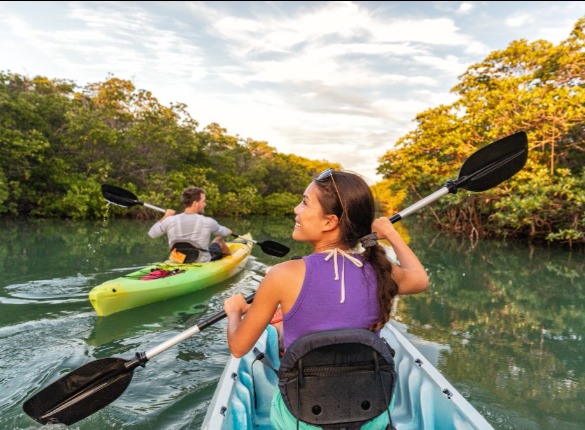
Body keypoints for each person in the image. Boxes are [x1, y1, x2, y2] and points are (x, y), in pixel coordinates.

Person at [223, 168, 429, 429]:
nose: (296, 210)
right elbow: (420, 279)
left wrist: (233, 312)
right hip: (369, 417)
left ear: (329, 222)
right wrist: (390, 233)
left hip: (301, 420)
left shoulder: (282, 274)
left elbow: (239, 347)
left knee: (279, 330)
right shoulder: (381, 269)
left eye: (305, 203)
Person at [148, 187, 232, 263]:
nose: (205, 204)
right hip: (201, 261)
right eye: (203, 201)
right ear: (195, 203)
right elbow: (224, 233)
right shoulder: (208, 221)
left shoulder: (170, 220)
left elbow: (152, 234)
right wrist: (229, 231)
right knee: (219, 239)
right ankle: (230, 263)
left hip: (178, 260)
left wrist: (166, 216)